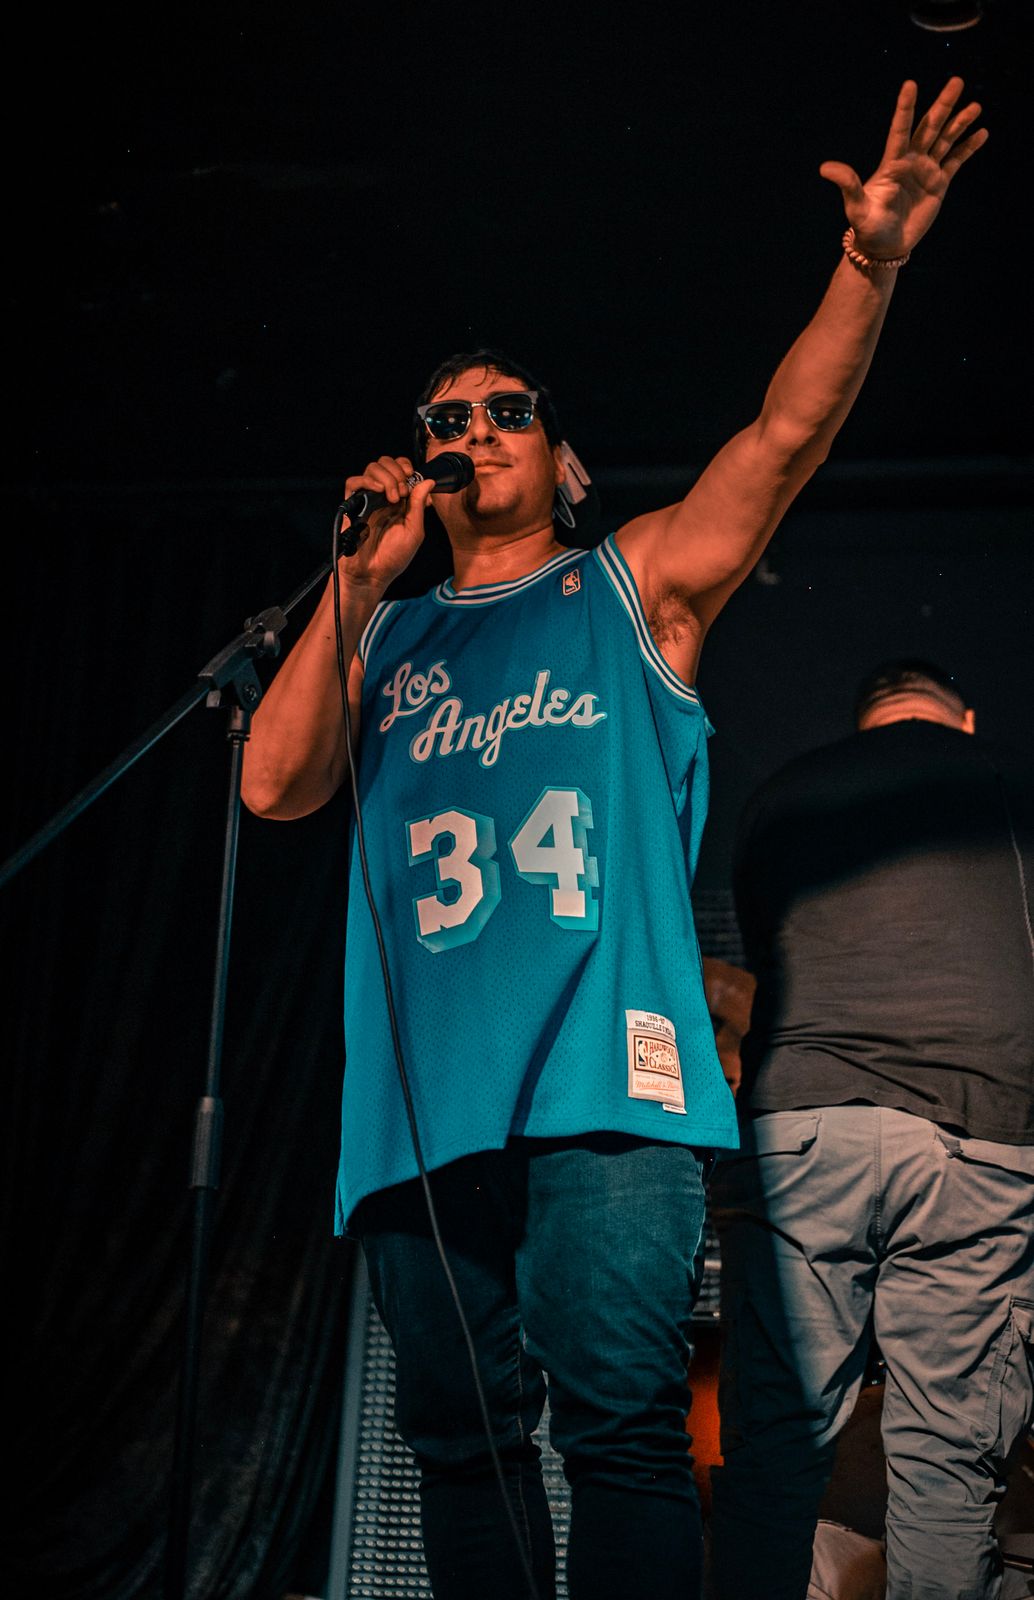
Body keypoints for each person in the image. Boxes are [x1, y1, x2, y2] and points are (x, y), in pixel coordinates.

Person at [241, 81, 987, 1600]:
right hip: (421, 1109)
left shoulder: (628, 586)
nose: (473, 433)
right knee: (462, 1446)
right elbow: (274, 787)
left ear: (555, 453)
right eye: (446, 421)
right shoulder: (385, 636)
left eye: (505, 412)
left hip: (606, 1087)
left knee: (620, 1427)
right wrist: (356, 587)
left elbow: (779, 440)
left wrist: (869, 262)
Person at [709, 660, 1034, 1600]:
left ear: (866, 726)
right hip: (981, 1135)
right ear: (962, 721)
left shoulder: (784, 794)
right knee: (949, 1464)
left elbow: (768, 947)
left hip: (805, 1131)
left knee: (774, 1453)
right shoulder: (1009, 782)